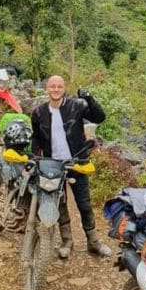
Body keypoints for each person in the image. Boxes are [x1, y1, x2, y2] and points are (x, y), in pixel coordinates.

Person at [30, 75, 112, 259]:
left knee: (84, 203)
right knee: (60, 203)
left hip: (77, 162)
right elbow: (35, 137)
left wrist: (89, 98)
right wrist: (36, 158)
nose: (56, 89)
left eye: (59, 86)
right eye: (53, 86)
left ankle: (93, 242)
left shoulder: (76, 106)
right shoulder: (38, 113)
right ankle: (67, 241)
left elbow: (100, 117)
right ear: (47, 89)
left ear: (64, 88)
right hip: (52, 165)